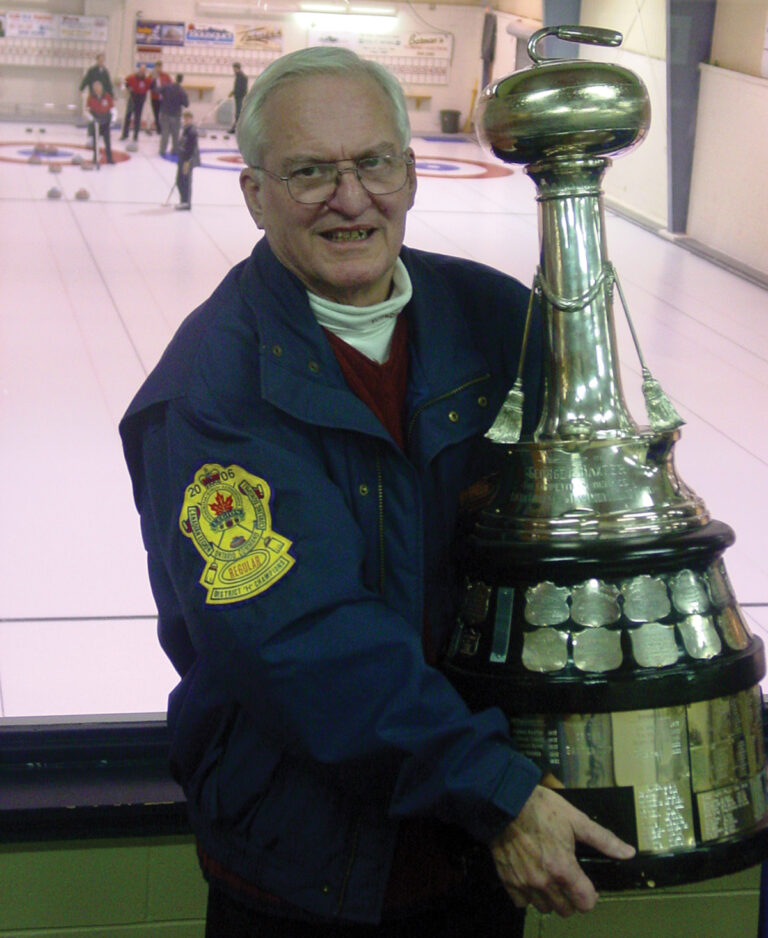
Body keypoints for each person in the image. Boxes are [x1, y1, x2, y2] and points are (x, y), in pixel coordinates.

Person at [119, 46, 635, 937]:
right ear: (254, 194)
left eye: (374, 163)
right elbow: (297, 643)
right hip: (311, 874)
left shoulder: (495, 319)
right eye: (311, 171)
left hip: (477, 853)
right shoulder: (212, 388)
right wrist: (496, 791)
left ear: (410, 172)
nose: (350, 198)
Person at [158, 73, 189, 156]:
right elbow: (186, 104)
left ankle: (162, 150)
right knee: (175, 134)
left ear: (175, 78)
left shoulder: (167, 86)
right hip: (176, 115)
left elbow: (157, 90)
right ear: (181, 80)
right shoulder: (182, 91)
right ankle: (175, 150)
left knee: (165, 133)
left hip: (165, 113)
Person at [174, 109, 199, 210]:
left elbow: (191, 148)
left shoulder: (192, 131)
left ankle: (186, 202)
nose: (186, 120)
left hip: (187, 161)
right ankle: (183, 200)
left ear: (191, 119)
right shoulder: (186, 129)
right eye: (185, 118)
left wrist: (187, 160)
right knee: (179, 180)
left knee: (185, 180)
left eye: (188, 118)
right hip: (183, 159)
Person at [86, 79, 115, 165]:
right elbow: (87, 110)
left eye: (98, 87)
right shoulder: (91, 97)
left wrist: (113, 120)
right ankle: (95, 158)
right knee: (96, 141)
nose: (97, 89)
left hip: (105, 121)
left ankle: (110, 159)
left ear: (101, 88)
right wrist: (91, 118)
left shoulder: (107, 96)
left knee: (107, 141)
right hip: (96, 122)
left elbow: (112, 109)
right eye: (95, 88)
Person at [120, 64, 151, 142]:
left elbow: (150, 87)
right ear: (139, 70)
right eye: (141, 70)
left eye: (144, 70)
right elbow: (123, 83)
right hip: (132, 98)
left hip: (141, 99)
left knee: (137, 118)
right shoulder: (131, 77)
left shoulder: (147, 80)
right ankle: (124, 134)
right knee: (128, 117)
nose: (142, 71)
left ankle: (135, 136)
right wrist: (127, 88)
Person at [151, 61, 172, 133]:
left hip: (164, 98)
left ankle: (164, 128)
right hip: (155, 97)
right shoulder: (152, 76)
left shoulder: (166, 76)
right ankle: (158, 129)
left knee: (164, 114)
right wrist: (153, 79)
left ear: (161, 67)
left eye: (159, 67)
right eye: (157, 67)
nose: (158, 69)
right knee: (156, 114)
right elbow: (149, 85)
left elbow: (170, 85)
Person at [228, 60, 248, 132]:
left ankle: (236, 129)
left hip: (240, 97)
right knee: (237, 113)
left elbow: (243, 89)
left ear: (237, 68)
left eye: (234, 68)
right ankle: (235, 128)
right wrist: (232, 92)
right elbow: (237, 87)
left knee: (238, 113)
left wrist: (235, 93)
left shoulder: (243, 77)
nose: (233, 70)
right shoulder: (238, 76)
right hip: (237, 96)